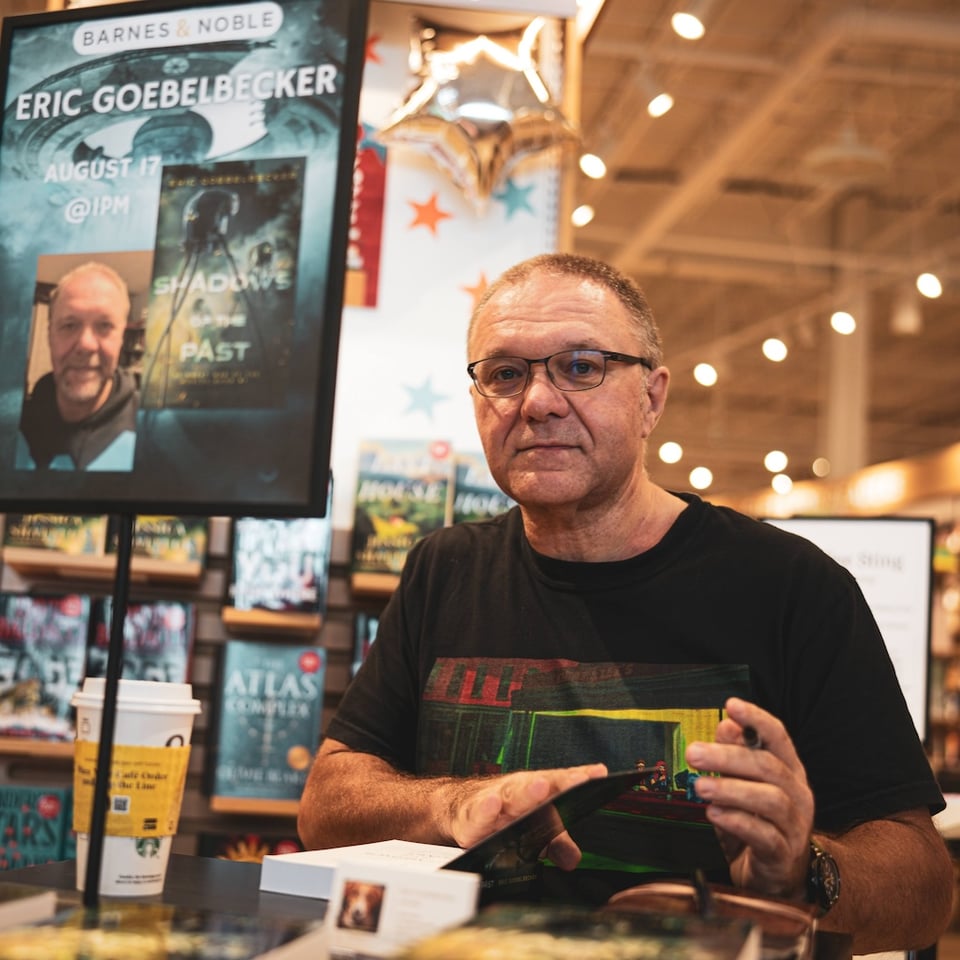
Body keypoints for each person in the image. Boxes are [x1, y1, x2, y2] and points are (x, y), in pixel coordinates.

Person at [298, 253, 952, 954]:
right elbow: (328, 804)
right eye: (505, 374)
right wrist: (451, 803)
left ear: (652, 398)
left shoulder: (795, 588)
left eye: (581, 366)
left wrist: (803, 869)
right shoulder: (445, 567)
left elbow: (925, 888)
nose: (539, 401)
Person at [16, 261, 138, 471]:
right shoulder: (15, 424)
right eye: (69, 325)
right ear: (49, 336)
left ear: (121, 339)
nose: (86, 345)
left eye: (104, 326)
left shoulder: (159, 436)